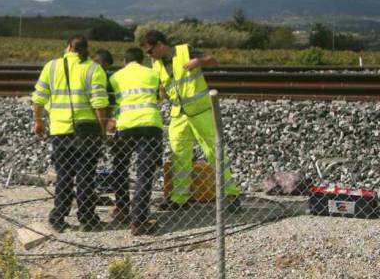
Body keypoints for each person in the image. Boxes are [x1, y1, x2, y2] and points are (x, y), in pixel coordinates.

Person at [140, 30, 240, 212]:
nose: (149, 55)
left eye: (150, 51)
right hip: (179, 114)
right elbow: (163, 89)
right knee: (179, 156)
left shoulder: (185, 50)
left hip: (201, 111)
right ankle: (179, 199)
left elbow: (214, 60)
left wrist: (199, 61)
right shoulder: (156, 64)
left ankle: (231, 196)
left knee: (214, 151)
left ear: (160, 45)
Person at [31, 35, 110, 232]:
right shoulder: (93, 68)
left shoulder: (51, 66)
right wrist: (102, 130)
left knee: (64, 175)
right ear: (86, 50)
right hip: (87, 131)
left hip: (60, 130)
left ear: (68, 48)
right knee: (86, 175)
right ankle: (87, 218)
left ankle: (58, 218)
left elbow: (38, 98)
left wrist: (39, 121)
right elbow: (100, 103)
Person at [106, 47, 163, 235]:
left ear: (124, 61)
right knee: (144, 173)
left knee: (120, 166)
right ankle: (138, 221)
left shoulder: (115, 77)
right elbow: (161, 96)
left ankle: (122, 208)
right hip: (150, 126)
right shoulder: (152, 73)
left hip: (125, 127)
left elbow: (111, 102)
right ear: (141, 61)